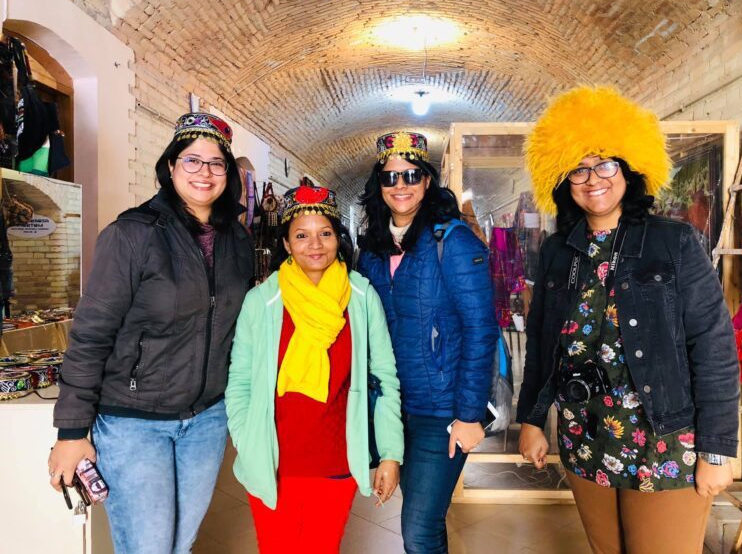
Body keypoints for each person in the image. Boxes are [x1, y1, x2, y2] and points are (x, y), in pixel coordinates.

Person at [517, 86, 739, 554]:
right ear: (561, 178)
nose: (592, 177)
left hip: (665, 439)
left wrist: (717, 449)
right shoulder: (559, 252)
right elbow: (542, 344)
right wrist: (532, 421)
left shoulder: (674, 242)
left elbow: (714, 347)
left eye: (605, 163)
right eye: (578, 167)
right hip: (584, 434)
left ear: (628, 168)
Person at [48, 112, 254, 553]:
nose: (204, 171)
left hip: (206, 420)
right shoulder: (132, 235)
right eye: (192, 160)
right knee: (149, 547)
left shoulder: (238, 240)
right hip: (133, 422)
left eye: (217, 162)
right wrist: (71, 431)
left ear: (229, 174)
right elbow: (90, 335)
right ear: (171, 166)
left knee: (179, 545)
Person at [226, 184, 404, 553]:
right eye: (302, 236)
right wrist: (246, 439)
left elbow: (385, 380)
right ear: (287, 245)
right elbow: (239, 381)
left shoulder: (360, 296)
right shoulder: (262, 300)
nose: (315, 245)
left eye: (325, 233)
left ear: (338, 238)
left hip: (335, 462)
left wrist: (390, 452)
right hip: (274, 461)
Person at [357, 132, 496, 553]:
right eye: (390, 176)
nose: (401, 184)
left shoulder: (451, 241)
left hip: (442, 411)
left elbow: (480, 328)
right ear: (378, 186)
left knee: (418, 528)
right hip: (394, 406)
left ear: (428, 179)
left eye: (412, 174)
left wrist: (469, 414)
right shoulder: (373, 250)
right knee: (423, 520)